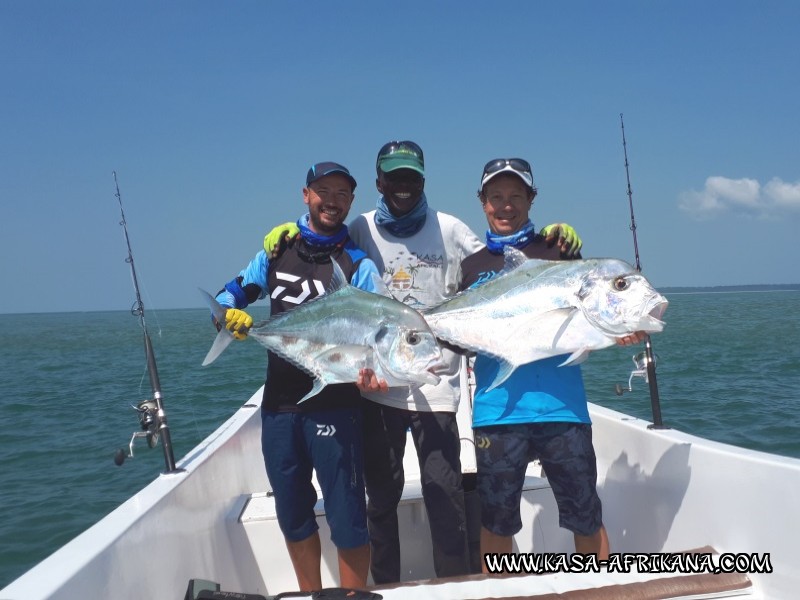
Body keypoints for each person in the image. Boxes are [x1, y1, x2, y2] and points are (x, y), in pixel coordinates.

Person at [264, 142, 583, 583]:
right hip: (376, 388)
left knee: (444, 493)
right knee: (380, 498)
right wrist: (289, 233)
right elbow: (323, 244)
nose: (402, 187)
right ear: (379, 183)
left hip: (436, 384)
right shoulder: (360, 228)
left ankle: (452, 587)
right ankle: (388, 587)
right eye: (393, 178)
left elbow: (502, 271)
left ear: (422, 182)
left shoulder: (450, 229)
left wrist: (551, 239)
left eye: (410, 178)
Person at [458, 158, 640, 569]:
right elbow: (456, 340)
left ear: (531, 199)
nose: (506, 206)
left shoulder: (561, 250)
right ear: (483, 202)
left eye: (516, 196)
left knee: (586, 518)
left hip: (564, 411)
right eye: (496, 197)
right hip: (497, 413)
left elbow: (594, 312)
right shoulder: (471, 268)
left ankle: (597, 591)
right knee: (496, 524)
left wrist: (620, 329)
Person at [211, 162, 377, 592]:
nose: (333, 200)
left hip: (336, 406)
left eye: (343, 193)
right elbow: (231, 294)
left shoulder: (357, 263)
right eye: (324, 190)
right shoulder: (275, 251)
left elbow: (379, 323)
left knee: (347, 516)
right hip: (280, 408)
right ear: (306, 194)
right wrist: (228, 315)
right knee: (293, 512)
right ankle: (310, 595)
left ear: (352, 202)